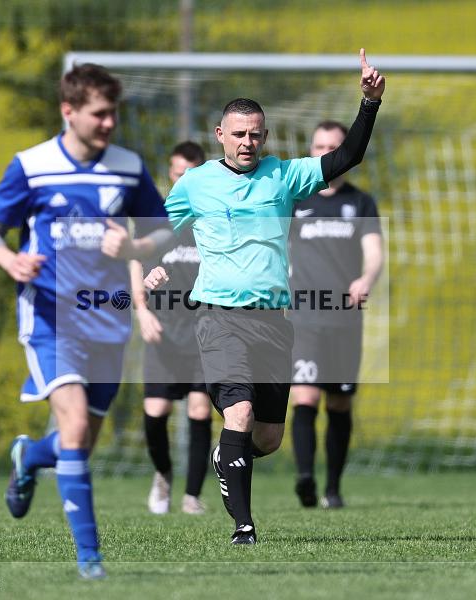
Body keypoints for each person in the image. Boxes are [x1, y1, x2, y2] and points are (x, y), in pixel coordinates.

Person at [163, 49, 385, 544]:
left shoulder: (283, 176)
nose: (247, 142)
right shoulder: (195, 184)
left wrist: (368, 104)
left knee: (266, 437)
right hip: (220, 318)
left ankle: (228, 454)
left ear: (265, 136)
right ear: (219, 135)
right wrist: (149, 265)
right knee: (237, 414)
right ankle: (244, 528)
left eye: (255, 134)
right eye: (238, 134)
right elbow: (160, 230)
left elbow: (346, 158)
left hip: (274, 323)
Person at [0, 63, 170, 580]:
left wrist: (135, 246)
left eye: (113, 114)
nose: (109, 124)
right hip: (49, 318)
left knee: (78, 440)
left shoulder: (128, 166)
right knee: (77, 426)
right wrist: (9, 261)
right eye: (99, 114)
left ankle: (30, 455)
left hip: (107, 319)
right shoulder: (32, 166)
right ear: (69, 112)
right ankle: (91, 562)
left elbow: (164, 229)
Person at [288, 120, 384, 509]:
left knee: (340, 404)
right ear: (311, 152)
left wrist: (367, 278)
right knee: (305, 398)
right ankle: (306, 479)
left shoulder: (361, 203)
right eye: (318, 146)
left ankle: (333, 488)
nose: (325, 152)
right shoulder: (295, 201)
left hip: (345, 318)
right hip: (303, 317)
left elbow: (375, 251)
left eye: (334, 146)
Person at [128, 141, 214, 515]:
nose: (185, 179)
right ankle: (162, 475)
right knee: (156, 410)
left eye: (192, 173)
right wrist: (142, 307)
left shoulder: (213, 215)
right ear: (170, 174)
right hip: (163, 329)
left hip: (203, 328)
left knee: (199, 409)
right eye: (179, 173)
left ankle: (192, 495)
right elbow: (136, 261)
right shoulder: (156, 217)